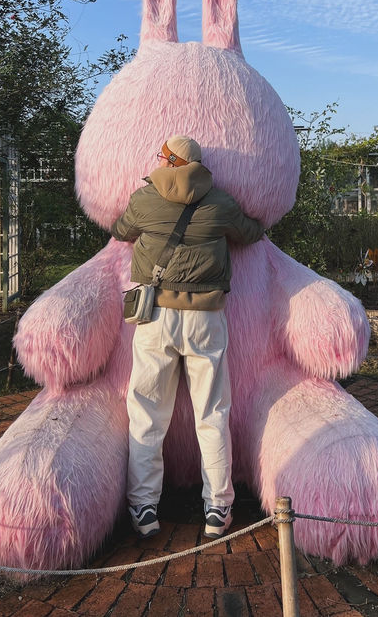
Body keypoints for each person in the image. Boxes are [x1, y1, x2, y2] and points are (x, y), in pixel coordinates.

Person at [111, 135, 264, 538]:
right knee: (212, 414)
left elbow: (120, 229)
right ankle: (218, 508)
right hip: (205, 317)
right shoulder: (221, 201)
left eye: (162, 155)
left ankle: (144, 508)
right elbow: (251, 233)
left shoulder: (145, 198)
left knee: (147, 414)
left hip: (155, 315)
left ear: (169, 161)